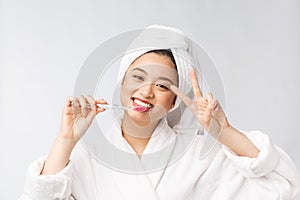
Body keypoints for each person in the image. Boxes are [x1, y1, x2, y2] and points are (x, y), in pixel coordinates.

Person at [20, 25, 300, 200]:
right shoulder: (87, 157)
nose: (147, 91)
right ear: (122, 83)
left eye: (163, 85)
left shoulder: (200, 154)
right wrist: (65, 141)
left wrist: (224, 133)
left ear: (174, 101)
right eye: (138, 77)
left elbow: (284, 187)